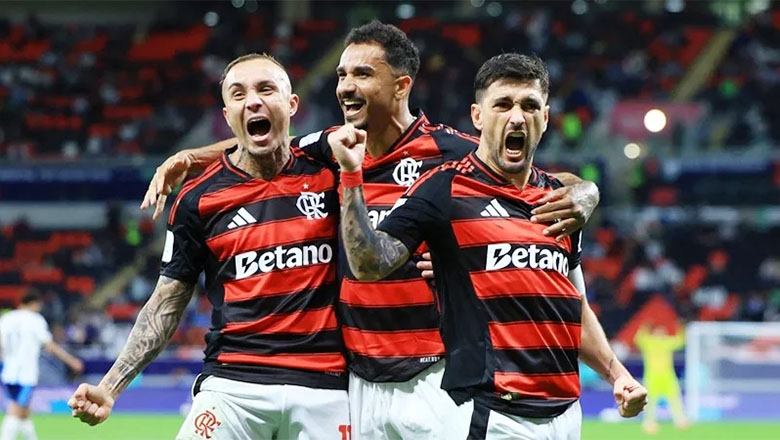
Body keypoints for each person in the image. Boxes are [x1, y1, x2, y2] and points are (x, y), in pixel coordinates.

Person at [140, 21, 601, 439]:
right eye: (342, 75)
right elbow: (274, 139)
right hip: (358, 380)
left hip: (436, 374)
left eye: (361, 74)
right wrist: (193, 156)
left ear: (401, 86)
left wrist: (586, 191)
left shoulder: (451, 154)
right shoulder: (333, 152)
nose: (345, 86)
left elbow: (536, 180)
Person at [330, 53, 647, 439]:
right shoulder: (443, 189)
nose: (517, 117)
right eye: (503, 104)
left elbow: (573, 308)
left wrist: (617, 374)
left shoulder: (562, 203)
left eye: (529, 106)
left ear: (545, 118)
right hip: (492, 413)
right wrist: (351, 174)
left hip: (565, 414)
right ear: (478, 116)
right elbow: (368, 264)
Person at [67, 53, 350, 439]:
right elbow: (166, 303)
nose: (253, 101)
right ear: (227, 115)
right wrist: (110, 387)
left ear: (292, 104)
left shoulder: (332, 168)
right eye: (239, 94)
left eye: (266, 89)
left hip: (325, 385)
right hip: (233, 386)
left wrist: (193, 155)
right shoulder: (197, 198)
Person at [0, 292, 83, 440]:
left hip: (7, 370)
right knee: (16, 408)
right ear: (34, 304)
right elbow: (50, 345)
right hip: (25, 373)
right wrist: (71, 361)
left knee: (24, 408)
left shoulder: (7, 318)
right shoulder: (35, 320)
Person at [634, 323, 688, 434]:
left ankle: (680, 420)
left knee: (675, 399)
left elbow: (681, 341)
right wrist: (644, 327)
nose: (661, 334)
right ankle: (649, 423)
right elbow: (638, 339)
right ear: (653, 333)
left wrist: (680, 328)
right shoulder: (648, 342)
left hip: (668, 376)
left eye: (663, 332)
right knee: (650, 402)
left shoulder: (667, 342)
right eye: (659, 331)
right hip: (652, 376)